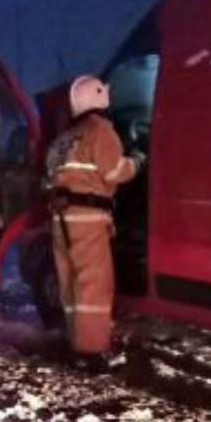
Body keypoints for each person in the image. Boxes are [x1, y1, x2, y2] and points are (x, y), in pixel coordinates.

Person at [45, 75, 142, 371]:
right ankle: (92, 354)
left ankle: (77, 344)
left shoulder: (63, 139)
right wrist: (137, 161)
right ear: (99, 96)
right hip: (87, 219)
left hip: (60, 218)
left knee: (70, 284)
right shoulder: (100, 131)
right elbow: (113, 173)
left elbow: (48, 177)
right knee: (93, 286)